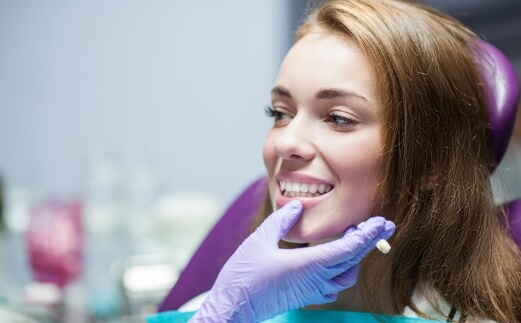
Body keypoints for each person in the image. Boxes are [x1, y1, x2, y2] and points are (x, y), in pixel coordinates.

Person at [150, 0, 521, 322]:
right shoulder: (219, 308)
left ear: (431, 165)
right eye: (280, 113)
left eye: (339, 118)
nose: (286, 142)